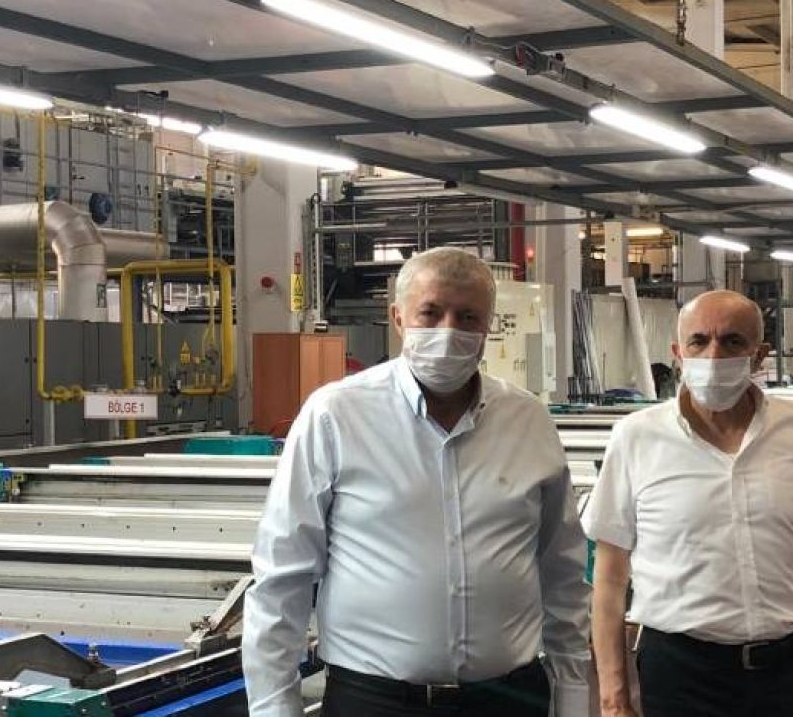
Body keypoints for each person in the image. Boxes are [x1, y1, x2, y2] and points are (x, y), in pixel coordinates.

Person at [243, 246, 591, 717]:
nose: (448, 331)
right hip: (376, 701)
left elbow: (562, 574)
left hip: (508, 698)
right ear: (398, 318)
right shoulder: (336, 415)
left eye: (468, 317)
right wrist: (273, 707)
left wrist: (573, 696)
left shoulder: (528, 420)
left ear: (488, 326)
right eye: (431, 312)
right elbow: (283, 575)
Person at [584, 290, 793, 717]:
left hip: (790, 673)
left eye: (733, 341)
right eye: (699, 341)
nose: (714, 355)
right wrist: (613, 699)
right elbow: (609, 579)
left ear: (759, 356)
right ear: (678, 354)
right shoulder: (636, 438)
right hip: (681, 678)